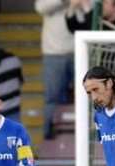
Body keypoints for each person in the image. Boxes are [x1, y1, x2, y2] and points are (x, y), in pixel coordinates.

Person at [34, 0, 74, 139]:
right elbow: (40, 7)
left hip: (80, 48)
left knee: (88, 95)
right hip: (53, 52)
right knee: (52, 97)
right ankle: (48, 133)